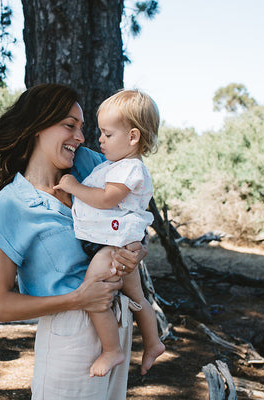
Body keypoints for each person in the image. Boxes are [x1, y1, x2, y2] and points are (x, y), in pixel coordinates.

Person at [0, 83, 147, 400]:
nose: (80, 137)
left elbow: (131, 220)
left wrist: (136, 251)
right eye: (69, 125)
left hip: (120, 327)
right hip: (70, 336)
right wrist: (78, 299)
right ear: (37, 126)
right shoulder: (11, 206)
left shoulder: (92, 167)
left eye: (81, 127)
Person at [54, 89, 165, 377]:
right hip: (117, 241)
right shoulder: (114, 165)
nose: (99, 139)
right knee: (137, 296)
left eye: (107, 134)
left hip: (113, 247)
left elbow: (106, 199)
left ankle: (112, 349)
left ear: (132, 137)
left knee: (93, 290)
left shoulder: (130, 169)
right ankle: (153, 343)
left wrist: (73, 186)